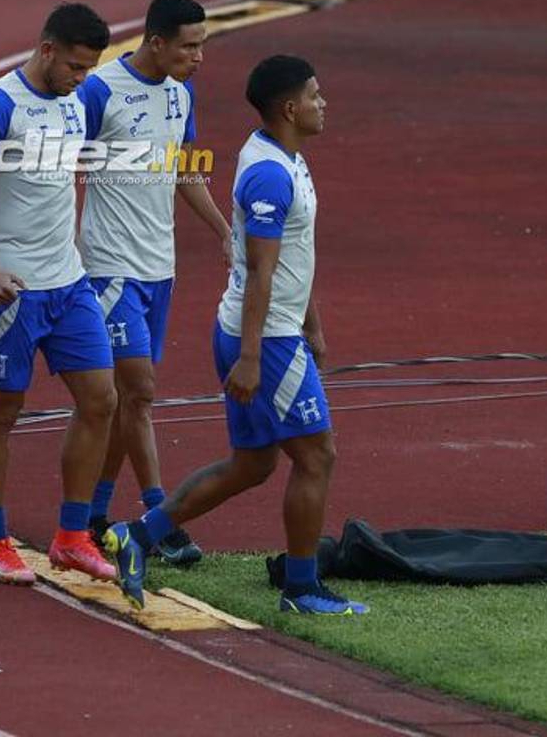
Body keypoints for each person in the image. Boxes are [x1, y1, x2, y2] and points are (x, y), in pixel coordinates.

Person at [102, 55, 368, 615]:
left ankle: (140, 536)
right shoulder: (269, 175)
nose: (325, 104)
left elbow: (296, 260)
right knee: (317, 456)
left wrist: (313, 326)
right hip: (265, 342)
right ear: (290, 108)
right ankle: (301, 589)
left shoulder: (284, 157)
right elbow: (262, 274)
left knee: (253, 464)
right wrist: (252, 357)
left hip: (272, 335)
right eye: (316, 96)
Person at [0, 2, 118, 586]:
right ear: (46, 49)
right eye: (74, 65)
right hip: (10, 290)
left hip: (68, 284)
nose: (82, 78)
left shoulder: (77, 100)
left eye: (89, 68)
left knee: (101, 401)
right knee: (1, 413)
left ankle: (72, 537)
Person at [78, 0, 230, 567]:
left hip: (158, 269)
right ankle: (158, 520)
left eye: (203, 45)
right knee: (139, 392)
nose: (198, 57)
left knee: (124, 401)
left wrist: (222, 230)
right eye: (189, 46)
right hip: (108, 266)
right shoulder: (99, 91)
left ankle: (93, 514)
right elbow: (67, 170)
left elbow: (184, 170)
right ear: (156, 41)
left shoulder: (181, 93)